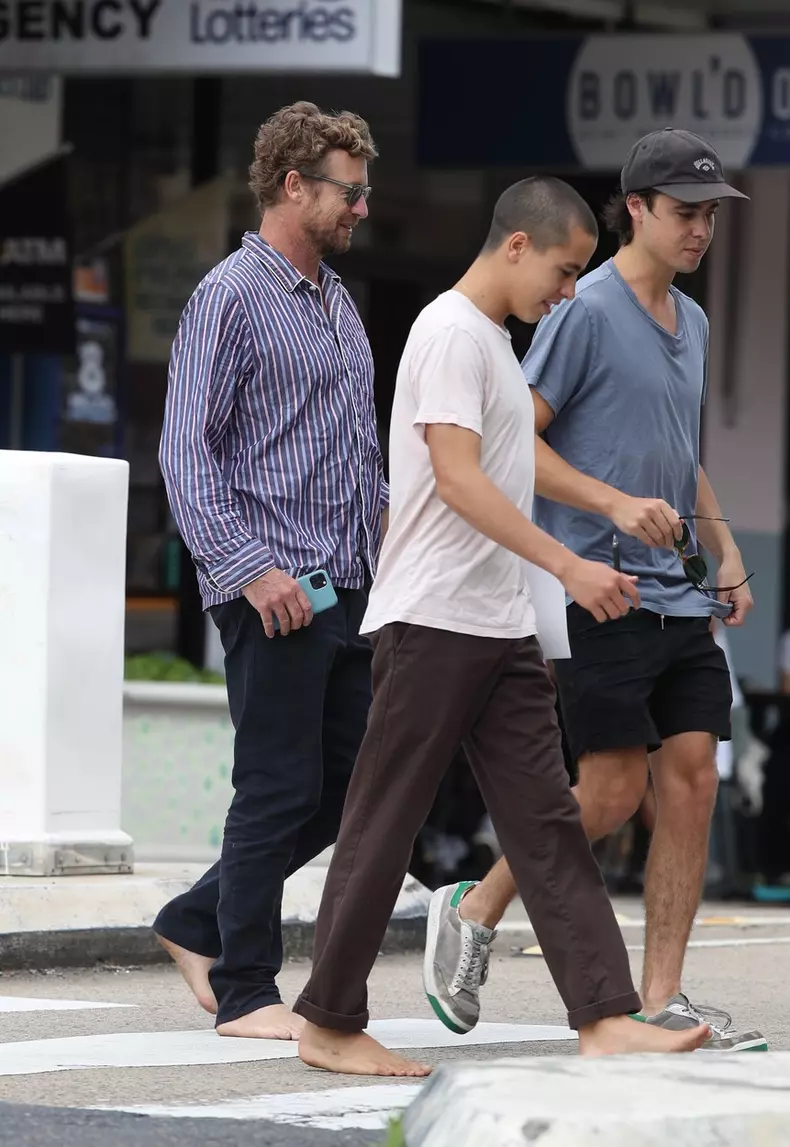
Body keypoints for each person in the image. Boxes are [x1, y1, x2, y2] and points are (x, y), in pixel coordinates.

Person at [290, 176, 710, 1077]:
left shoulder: (491, 341)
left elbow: (518, 469)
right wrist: (568, 564)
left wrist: (613, 505)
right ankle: (327, 1019)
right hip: (435, 617)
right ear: (516, 245)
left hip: (501, 621)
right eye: (562, 273)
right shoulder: (449, 331)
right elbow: (458, 477)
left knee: (547, 820)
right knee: (384, 818)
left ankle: (603, 1013)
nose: (567, 294)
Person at [423, 129, 767, 1053]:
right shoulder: (583, 309)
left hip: (680, 596)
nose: (700, 230)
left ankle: (662, 997)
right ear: (640, 209)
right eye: (686, 212)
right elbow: (518, 447)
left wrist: (725, 554)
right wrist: (611, 505)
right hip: (600, 588)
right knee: (611, 791)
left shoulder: (691, 324)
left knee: (691, 779)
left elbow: (684, 461)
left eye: (710, 216)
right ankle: (477, 905)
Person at [155, 101, 386, 1040]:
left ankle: (194, 918)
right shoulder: (228, 297)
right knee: (277, 785)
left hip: (348, 585)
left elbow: (357, 456)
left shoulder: (338, 304)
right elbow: (185, 452)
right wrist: (252, 571)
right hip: (274, 591)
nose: (361, 209)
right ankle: (246, 986)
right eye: (350, 192)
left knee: (348, 789)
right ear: (294, 186)